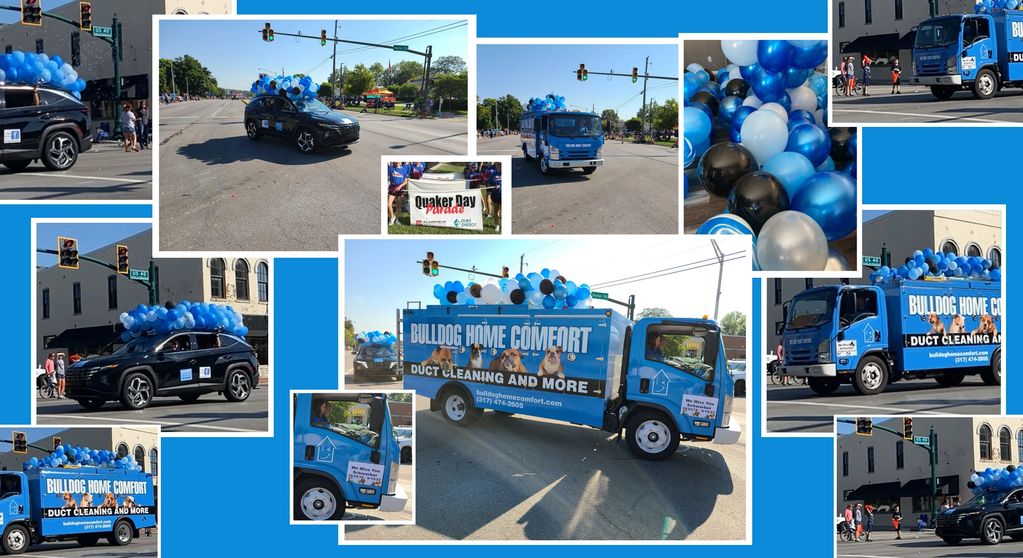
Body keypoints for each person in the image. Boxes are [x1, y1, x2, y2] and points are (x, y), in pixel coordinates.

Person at [387, 161, 409, 226]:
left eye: (398, 161)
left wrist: (400, 186)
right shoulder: (391, 168)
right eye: (396, 161)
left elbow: (406, 181)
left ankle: (397, 219)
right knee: (388, 204)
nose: (397, 162)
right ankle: (392, 217)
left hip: (400, 189)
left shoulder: (404, 169)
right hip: (392, 188)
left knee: (398, 206)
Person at [486, 163, 502, 232]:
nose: (499, 166)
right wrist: (494, 187)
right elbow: (488, 184)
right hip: (496, 195)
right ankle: (497, 225)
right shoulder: (493, 174)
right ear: (496, 166)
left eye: (500, 165)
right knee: (496, 211)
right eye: (498, 165)